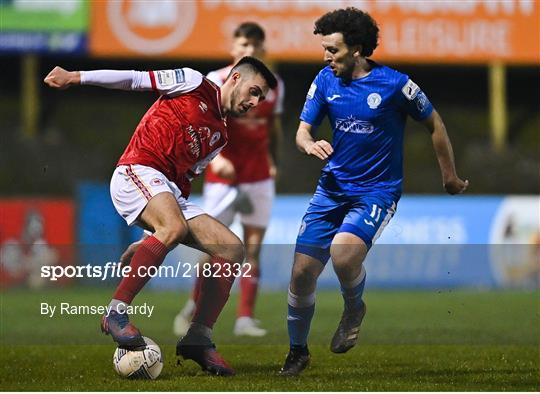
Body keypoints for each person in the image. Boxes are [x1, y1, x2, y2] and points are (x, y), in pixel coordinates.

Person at [44, 57, 277, 377]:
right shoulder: (193, 82)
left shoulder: (220, 135)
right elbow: (133, 78)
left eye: (261, 98)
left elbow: (182, 183)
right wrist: (76, 76)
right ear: (235, 78)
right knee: (173, 226)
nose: (254, 102)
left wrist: (148, 238)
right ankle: (115, 314)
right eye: (254, 91)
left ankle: (198, 338)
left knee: (231, 248)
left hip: (166, 190)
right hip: (135, 170)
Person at [279, 8, 468, 376]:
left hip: (376, 192)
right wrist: (308, 144)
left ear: (357, 49)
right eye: (324, 49)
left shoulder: (395, 85)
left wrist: (450, 177)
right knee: (301, 273)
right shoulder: (324, 80)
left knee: (344, 255)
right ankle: (297, 351)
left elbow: (435, 123)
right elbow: (302, 131)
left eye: (332, 50)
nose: (325, 57)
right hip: (331, 190)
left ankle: (354, 307)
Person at [172, 22, 284, 338]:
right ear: (233, 48)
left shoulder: (275, 87)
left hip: (259, 175)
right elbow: (198, 123)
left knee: (253, 248)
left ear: (262, 50)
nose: (248, 50)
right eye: (243, 44)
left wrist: (274, 161)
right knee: (213, 249)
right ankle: (194, 305)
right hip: (222, 178)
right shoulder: (214, 81)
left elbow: (273, 128)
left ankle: (244, 318)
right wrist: (217, 158)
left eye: (254, 45)